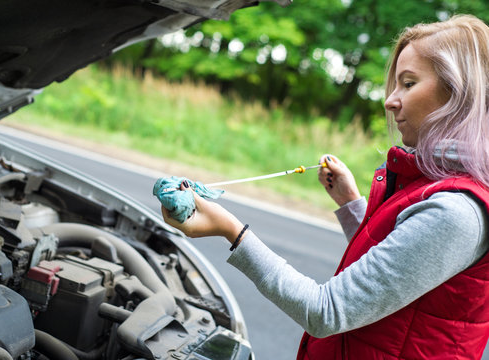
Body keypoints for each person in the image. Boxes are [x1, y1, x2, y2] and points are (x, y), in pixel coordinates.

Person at [160, 14, 489, 359]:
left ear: (459, 95)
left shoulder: (455, 211)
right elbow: (395, 270)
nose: (390, 101)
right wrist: (350, 205)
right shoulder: (434, 186)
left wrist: (231, 230)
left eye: (408, 84)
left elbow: (326, 312)